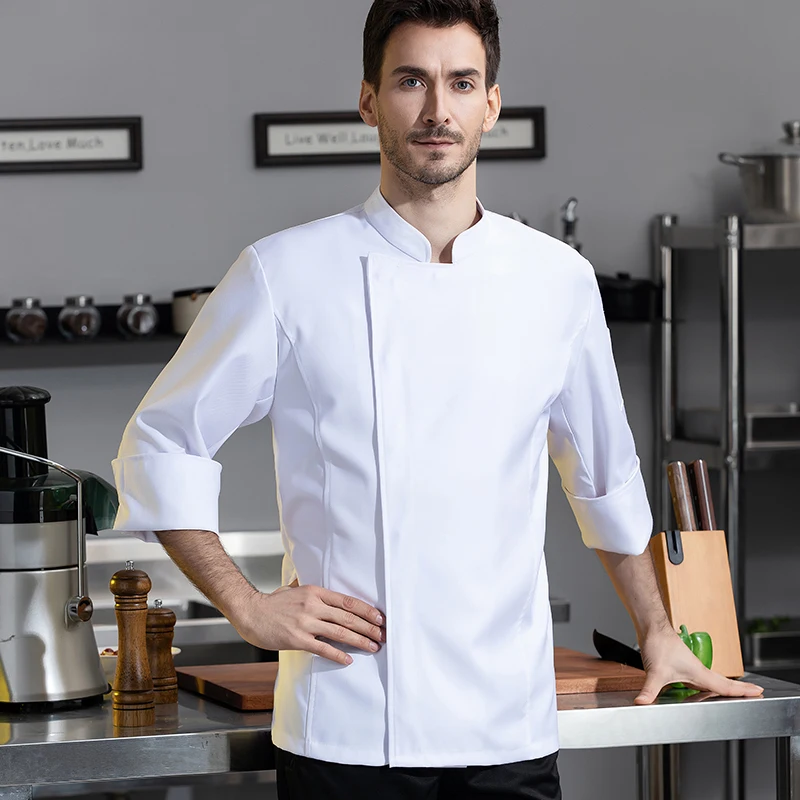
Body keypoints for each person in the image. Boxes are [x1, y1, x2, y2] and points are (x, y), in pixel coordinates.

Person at [111, 1, 763, 797]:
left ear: (491, 102)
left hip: (508, 730)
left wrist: (657, 632)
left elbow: (604, 477)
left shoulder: (556, 281)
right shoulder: (287, 274)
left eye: (461, 82)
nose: (435, 110)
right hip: (349, 728)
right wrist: (247, 608)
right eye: (410, 81)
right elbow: (161, 443)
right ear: (368, 100)